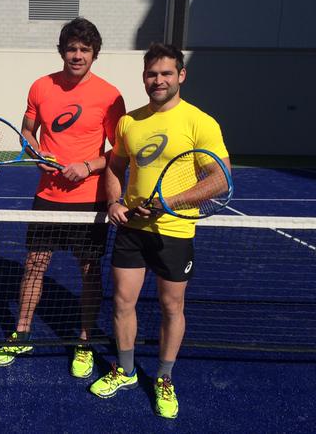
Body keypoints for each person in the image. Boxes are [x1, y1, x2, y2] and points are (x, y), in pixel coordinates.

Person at [89, 43, 230, 418]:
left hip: (174, 231)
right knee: (122, 302)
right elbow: (115, 167)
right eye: (152, 74)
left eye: (166, 73)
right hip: (132, 228)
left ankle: (164, 378)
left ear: (181, 75)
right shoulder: (129, 122)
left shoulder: (200, 121)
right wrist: (114, 203)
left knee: (171, 307)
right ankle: (126, 369)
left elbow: (221, 179)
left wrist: (173, 202)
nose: (159, 80)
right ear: (144, 77)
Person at [0, 17, 126, 379]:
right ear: (62, 51)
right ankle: (21, 333)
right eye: (71, 49)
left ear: (95, 54)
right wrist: (34, 151)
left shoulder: (110, 96)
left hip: (89, 199)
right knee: (35, 265)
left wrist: (87, 165)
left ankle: (83, 341)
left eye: (84, 49)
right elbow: (27, 131)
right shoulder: (40, 87)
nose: (77, 55)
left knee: (88, 270)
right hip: (47, 196)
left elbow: (118, 151)